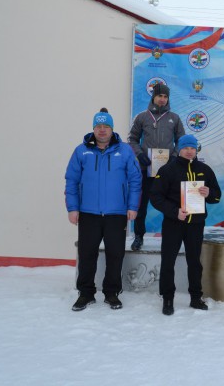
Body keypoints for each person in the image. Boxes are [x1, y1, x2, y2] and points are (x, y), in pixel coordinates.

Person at [65, 108, 142, 311]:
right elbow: (71, 181)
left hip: (116, 213)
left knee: (115, 254)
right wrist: (73, 208)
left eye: (106, 126)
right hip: (88, 212)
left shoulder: (124, 150)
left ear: (111, 129)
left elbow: (135, 179)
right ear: (93, 128)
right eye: (98, 126)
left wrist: (132, 206)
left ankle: (111, 293)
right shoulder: (81, 151)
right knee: (87, 253)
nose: (102, 130)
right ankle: (86, 293)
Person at [149, 134, 221, 315]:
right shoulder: (168, 170)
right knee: (168, 261)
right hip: (174, 223)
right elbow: (155, 197)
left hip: (196, 224)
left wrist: (209, 192)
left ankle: (196, 297)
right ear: (179, 149)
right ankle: (167, 298)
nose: (189, 151)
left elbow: (217, 196)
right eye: (186, 148)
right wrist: (174, 212)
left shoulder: (204, 169)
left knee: (194, 262)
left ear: (196, 150)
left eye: (192, 148)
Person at [128, 83, 185, 251]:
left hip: (168, 171)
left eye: (165, 96)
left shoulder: (174, 118)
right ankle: (139, 235)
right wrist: (139, 155)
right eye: (159, 96)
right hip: (146, 169)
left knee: (171, 204)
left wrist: (173, 159)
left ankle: (172, 236)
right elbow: (132, 139)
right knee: (142, 204)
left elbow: (181, 141)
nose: (162, 99)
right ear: (153, 97)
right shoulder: (142, 117)